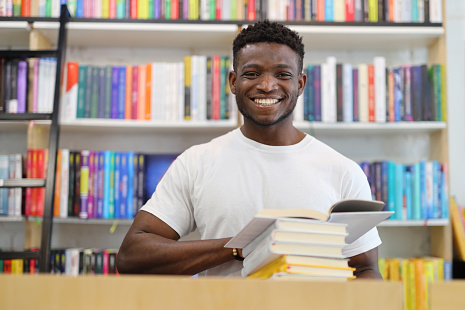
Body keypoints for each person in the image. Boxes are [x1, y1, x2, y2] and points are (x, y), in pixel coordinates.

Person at [116, 20, 382, 279]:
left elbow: (365, 269)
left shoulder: (344, 171)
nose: (267, 85)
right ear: (233, 81)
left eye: (282, 74)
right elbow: (132, 257)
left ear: (300, 84)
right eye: (252, 73)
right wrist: (243, 244)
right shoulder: (196, 163)